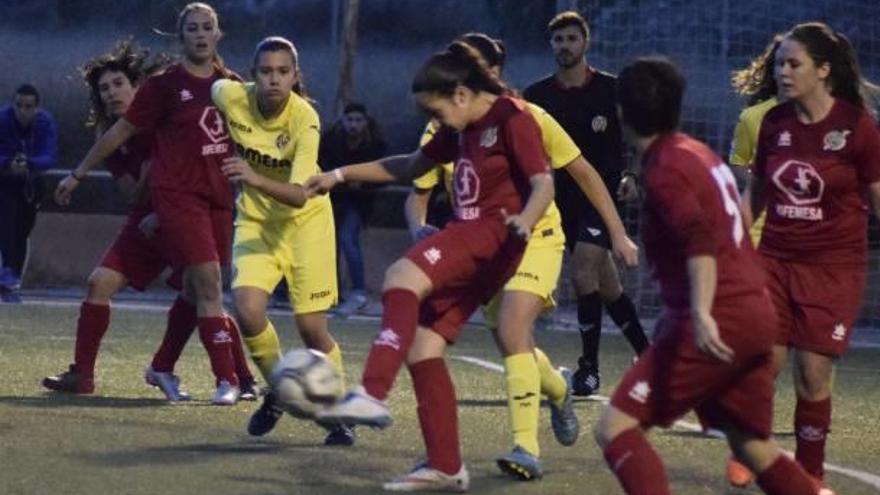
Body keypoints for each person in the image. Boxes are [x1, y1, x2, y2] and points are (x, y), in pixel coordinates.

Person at [305, 41, 555, 492]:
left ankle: (373, 393)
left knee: (400, 276)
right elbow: (411, 165)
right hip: (479, 244)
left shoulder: (513, 118)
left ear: (460, 94)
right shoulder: (459, 127)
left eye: (435, 112)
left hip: (491, 233)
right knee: (423, 347)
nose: (434, 122)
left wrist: (526, 220)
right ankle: (445, 465)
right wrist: (340, 175)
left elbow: (543, 183)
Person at [404, 32, 638, 481]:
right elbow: (416, 187)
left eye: (487, 70)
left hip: (538, 236)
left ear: (495, 73)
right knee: (514, 342)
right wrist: (418, 228)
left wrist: (619, 233)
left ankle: (526, 449)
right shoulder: (444, 125)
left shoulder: (528, 117)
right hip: (484, 248)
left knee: (513, 326)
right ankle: (557, 389)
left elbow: (583, 172)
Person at [594, 56, 831, 495]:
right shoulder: (698, 152)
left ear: (621, 112)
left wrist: (701, 315)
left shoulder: (665, 168)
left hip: (715, 319)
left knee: (615, 428)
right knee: (751, 446)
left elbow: (700, 239)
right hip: (755, 313)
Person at [42, 40, 256, 401]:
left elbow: (194, 161)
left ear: (137, 85)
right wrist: (153, 180)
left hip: (181, 213)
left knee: (205, 290)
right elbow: (132, 194)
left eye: (118, 84)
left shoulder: (164, 114)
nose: (111, 93)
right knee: (99, 284)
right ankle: (83, 375)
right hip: (146, 222)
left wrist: (165, 192)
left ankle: (241, 378)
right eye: (104, 89)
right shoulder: (111, 137)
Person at [742, 22, 880, 490]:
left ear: (823, 70)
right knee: (761, 364)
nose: (782, 72)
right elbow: (757, 192)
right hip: (775, 260)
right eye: (780, 62)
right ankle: (754, 454)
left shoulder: (857, 128)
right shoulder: (774, 125)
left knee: (812, 376)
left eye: (793, 63)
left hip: (834, 268)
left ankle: (809, 477)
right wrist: (732, 244)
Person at [212, 36, 353, 445]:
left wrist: (253, 176)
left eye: (282, 72)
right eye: (265, 71)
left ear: (296, 76)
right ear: (252, 74)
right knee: (247, 309)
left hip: (306, 226)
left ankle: (335, 409)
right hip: (257, 223)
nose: (274, 79)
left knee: (311, 329)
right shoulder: (228, 95)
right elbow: (210, 81)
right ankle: (280, 389)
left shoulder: (305, 120)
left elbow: (298, 194)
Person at [523, 11, 648, 396]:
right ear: (551, 46)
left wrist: (633, 175)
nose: (565, 46)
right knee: (605, 285)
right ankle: (650, 356)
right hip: (557, 201)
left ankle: (588, 369)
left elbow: (641, 136)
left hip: (601, 195)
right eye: (558, 40)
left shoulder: (612, 89)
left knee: (581, 272)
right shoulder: (536, 96)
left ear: (586, 43)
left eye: (572, 39)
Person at [319, 102, 387, 317]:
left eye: (358, 120)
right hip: (333, 199)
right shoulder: (331, 140)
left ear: (365, 122)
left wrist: (363, 183)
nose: (353, 125)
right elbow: (321, 165)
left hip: (359, 201)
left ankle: (358, 292)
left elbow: (384, 173)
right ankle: (333, 292)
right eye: (350, 120)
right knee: (331, 244)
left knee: (348, 239)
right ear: (343, 120)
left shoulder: (375, 144)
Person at [0, 84, 57, 303]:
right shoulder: (3, 120)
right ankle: (7, 271)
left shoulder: (44, 123)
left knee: (23, 229)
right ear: (13, 104)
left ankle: (13, 275)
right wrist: (7, 163)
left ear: (36, 107)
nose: (23, 111)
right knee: (7, 222)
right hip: (5, 180)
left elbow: (49, 156)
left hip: (31, 183)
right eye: (19, 105)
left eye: (28, 106)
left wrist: (29, 163)